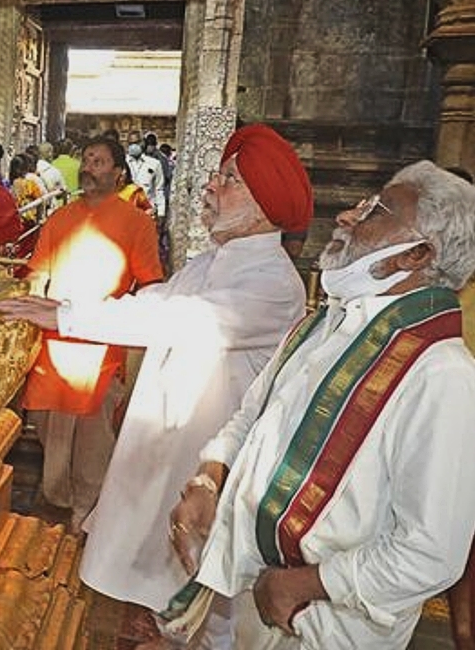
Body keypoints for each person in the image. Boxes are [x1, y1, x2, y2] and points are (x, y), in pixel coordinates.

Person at [0, 123, 313, 648]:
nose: (210, 186)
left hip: (206, 462)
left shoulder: (274, 282)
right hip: (163, 448)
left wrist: (67, 317)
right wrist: (61, 309)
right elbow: (154, 303)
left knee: (206, 601)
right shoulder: (211, 263)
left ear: (261, 207)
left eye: (227, 180)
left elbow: (183, 320)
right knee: (157, 594)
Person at [167, 160, 475, 650]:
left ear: (415, 255)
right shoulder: (327, 324)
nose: (348, 217)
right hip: (260, 590)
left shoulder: (442, 375)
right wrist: (211, 475)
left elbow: (431, 553)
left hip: (325, 624)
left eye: (375, 210)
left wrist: (304, 584)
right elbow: (255, 415)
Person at [21, 137, 164, 533]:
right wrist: (31, 300)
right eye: (87, 160)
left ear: (118, 172)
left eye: (99, 162)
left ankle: (86, 507)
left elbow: (150, 283)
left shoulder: (136, 222)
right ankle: (58, 497)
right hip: (53, 346)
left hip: (101, 348)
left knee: (93, 437)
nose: (89, 167)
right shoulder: (60, 218)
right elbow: (38, 272)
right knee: (49, 425)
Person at [127, 131, 166, 219]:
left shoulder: (154, 164)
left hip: (148, 213)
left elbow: (159, 189)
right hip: (126, 213)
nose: (134, 146)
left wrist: (161, 213)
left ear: (143, 143)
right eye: (131, 143)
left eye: (136, 143)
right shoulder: (122, 163)